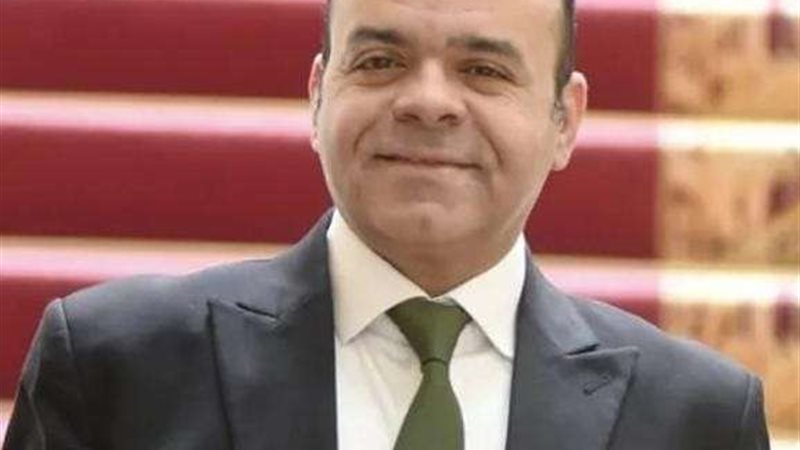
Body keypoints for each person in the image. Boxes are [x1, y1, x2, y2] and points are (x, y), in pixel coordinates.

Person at [4, 0, 770, 448]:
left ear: (565, 119)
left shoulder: (694, 419)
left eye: (484, 70)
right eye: (379, 61)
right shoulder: (115, 368)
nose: (427, 102)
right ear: (317, 96)